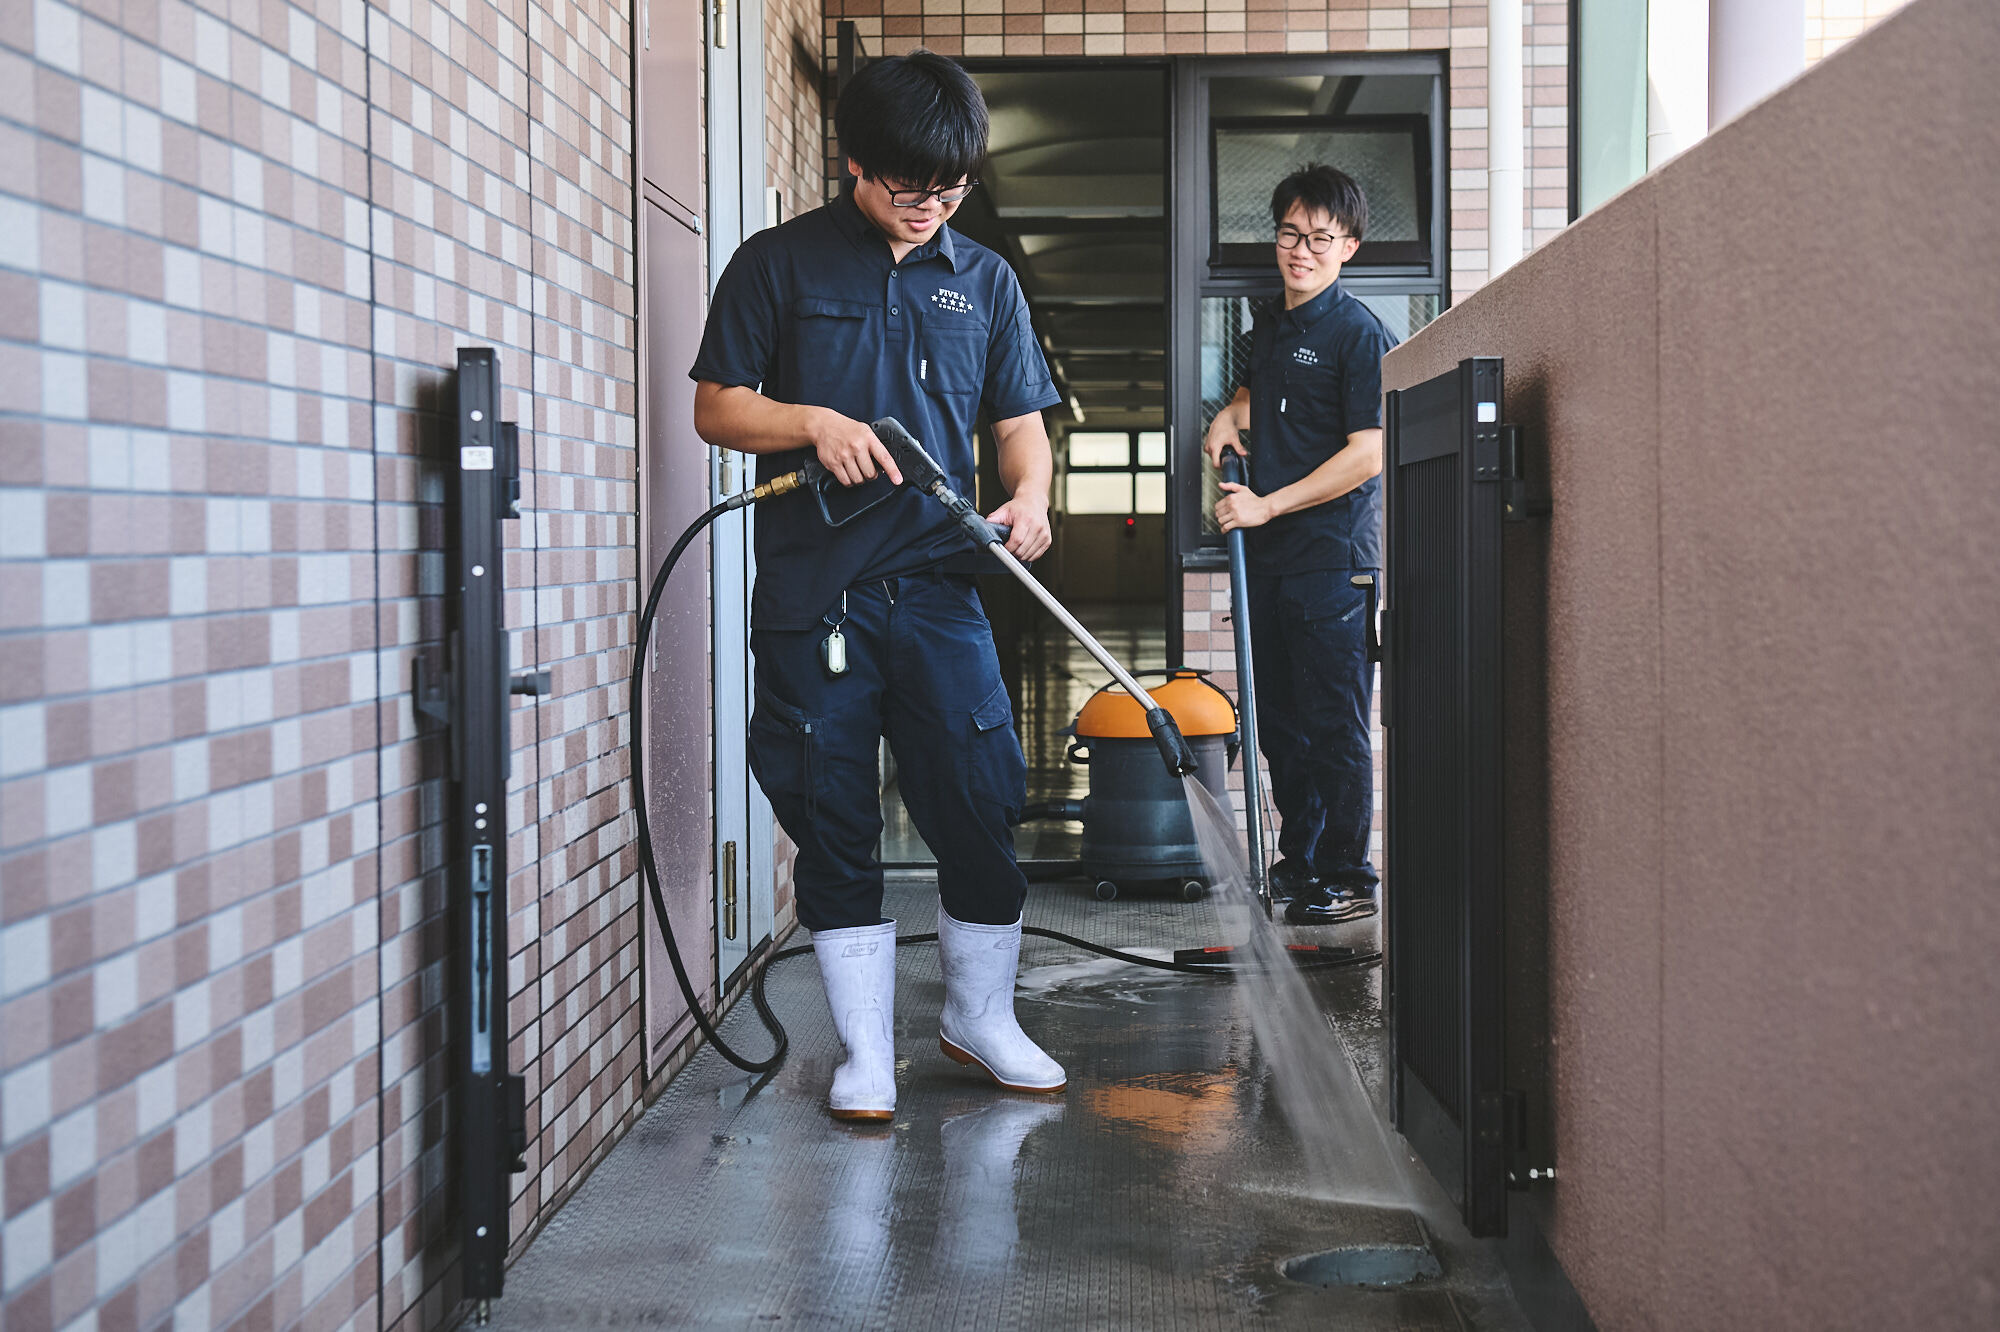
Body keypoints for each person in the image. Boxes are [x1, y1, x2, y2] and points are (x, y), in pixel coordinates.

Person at [690, 50, 1066, 1122]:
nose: (930, 210)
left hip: (941, 587)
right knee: (831, 809)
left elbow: (1016, 429)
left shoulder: (983, 280)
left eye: (950, 192)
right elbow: (718, 407)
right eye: (911, 191)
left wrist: (1030, 498)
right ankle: (864, 1053)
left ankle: (979, 1019)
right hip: (817, 594)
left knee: (981, 798)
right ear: (856, 162)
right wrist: (810, 421)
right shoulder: (778, 263)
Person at [1202, 164, 1396, 927]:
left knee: (1332, 724)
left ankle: (1348, 873)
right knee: (1281, 722)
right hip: (1272, 558)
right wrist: (1229, 415)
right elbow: (1260, 396)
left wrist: (1268, 503)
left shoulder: (1358, 333)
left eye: (1320, 238)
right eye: (1290, 233)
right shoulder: (1272, 328)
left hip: (1332, 561)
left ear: (1348, 246)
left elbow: (1368, 452)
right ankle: (1301, 861)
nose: (1301, 250)